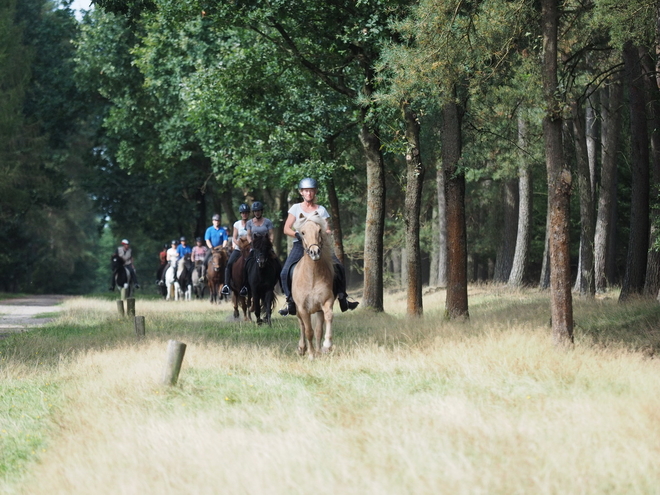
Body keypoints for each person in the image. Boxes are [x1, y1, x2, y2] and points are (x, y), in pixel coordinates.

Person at [279, 178, 358, 316]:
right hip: (300, 244)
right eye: (306, 191)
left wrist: (325, 233)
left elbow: (327, 229)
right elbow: (286, 228)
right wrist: (298, 235)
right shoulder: (295, 208)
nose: (309, 193)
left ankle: (342, 297)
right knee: (285, 272)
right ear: (301, 192)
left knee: (338, 267)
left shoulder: (321, 210)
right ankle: (290, 301)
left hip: (319, 244)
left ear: (315, 192)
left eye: (311, 191)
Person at [238, 201, 277, 297]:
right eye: (255, 211)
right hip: (255, 248)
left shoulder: (268, 222)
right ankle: (245, 286)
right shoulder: (250, 223)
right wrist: (252, 243)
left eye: (258, 211)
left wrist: (270, 243)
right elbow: (248, 235)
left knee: (277, 262)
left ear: (261, 211)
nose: (257, 213)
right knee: (246, 263)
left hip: (266, 247)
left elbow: (271, 234)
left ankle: (281, 284)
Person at [221, 204, 250, 295]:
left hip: (249, 249)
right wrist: (240, 245)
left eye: (246, 213)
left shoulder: (252, 223)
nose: (244, 214)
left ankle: (249, 285)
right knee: (229, 263)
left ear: (248, 213)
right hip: (239, 248)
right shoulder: (237, 224)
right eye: (243, 213)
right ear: (241, 214)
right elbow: (234, 238)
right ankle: (227, 285)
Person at [201, 213, 229, 281]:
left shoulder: (223, 230)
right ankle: (203, 275)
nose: (217, 222)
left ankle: (228, 276)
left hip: (220, 249)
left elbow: (225, 240)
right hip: (212, 248)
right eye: (215, 220)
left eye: (218, 220)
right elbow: (207, 240)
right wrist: (211, 247)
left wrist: (223, 247)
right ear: (212, 221)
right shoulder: (209, 230)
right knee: (205, 261)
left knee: (228, 261)